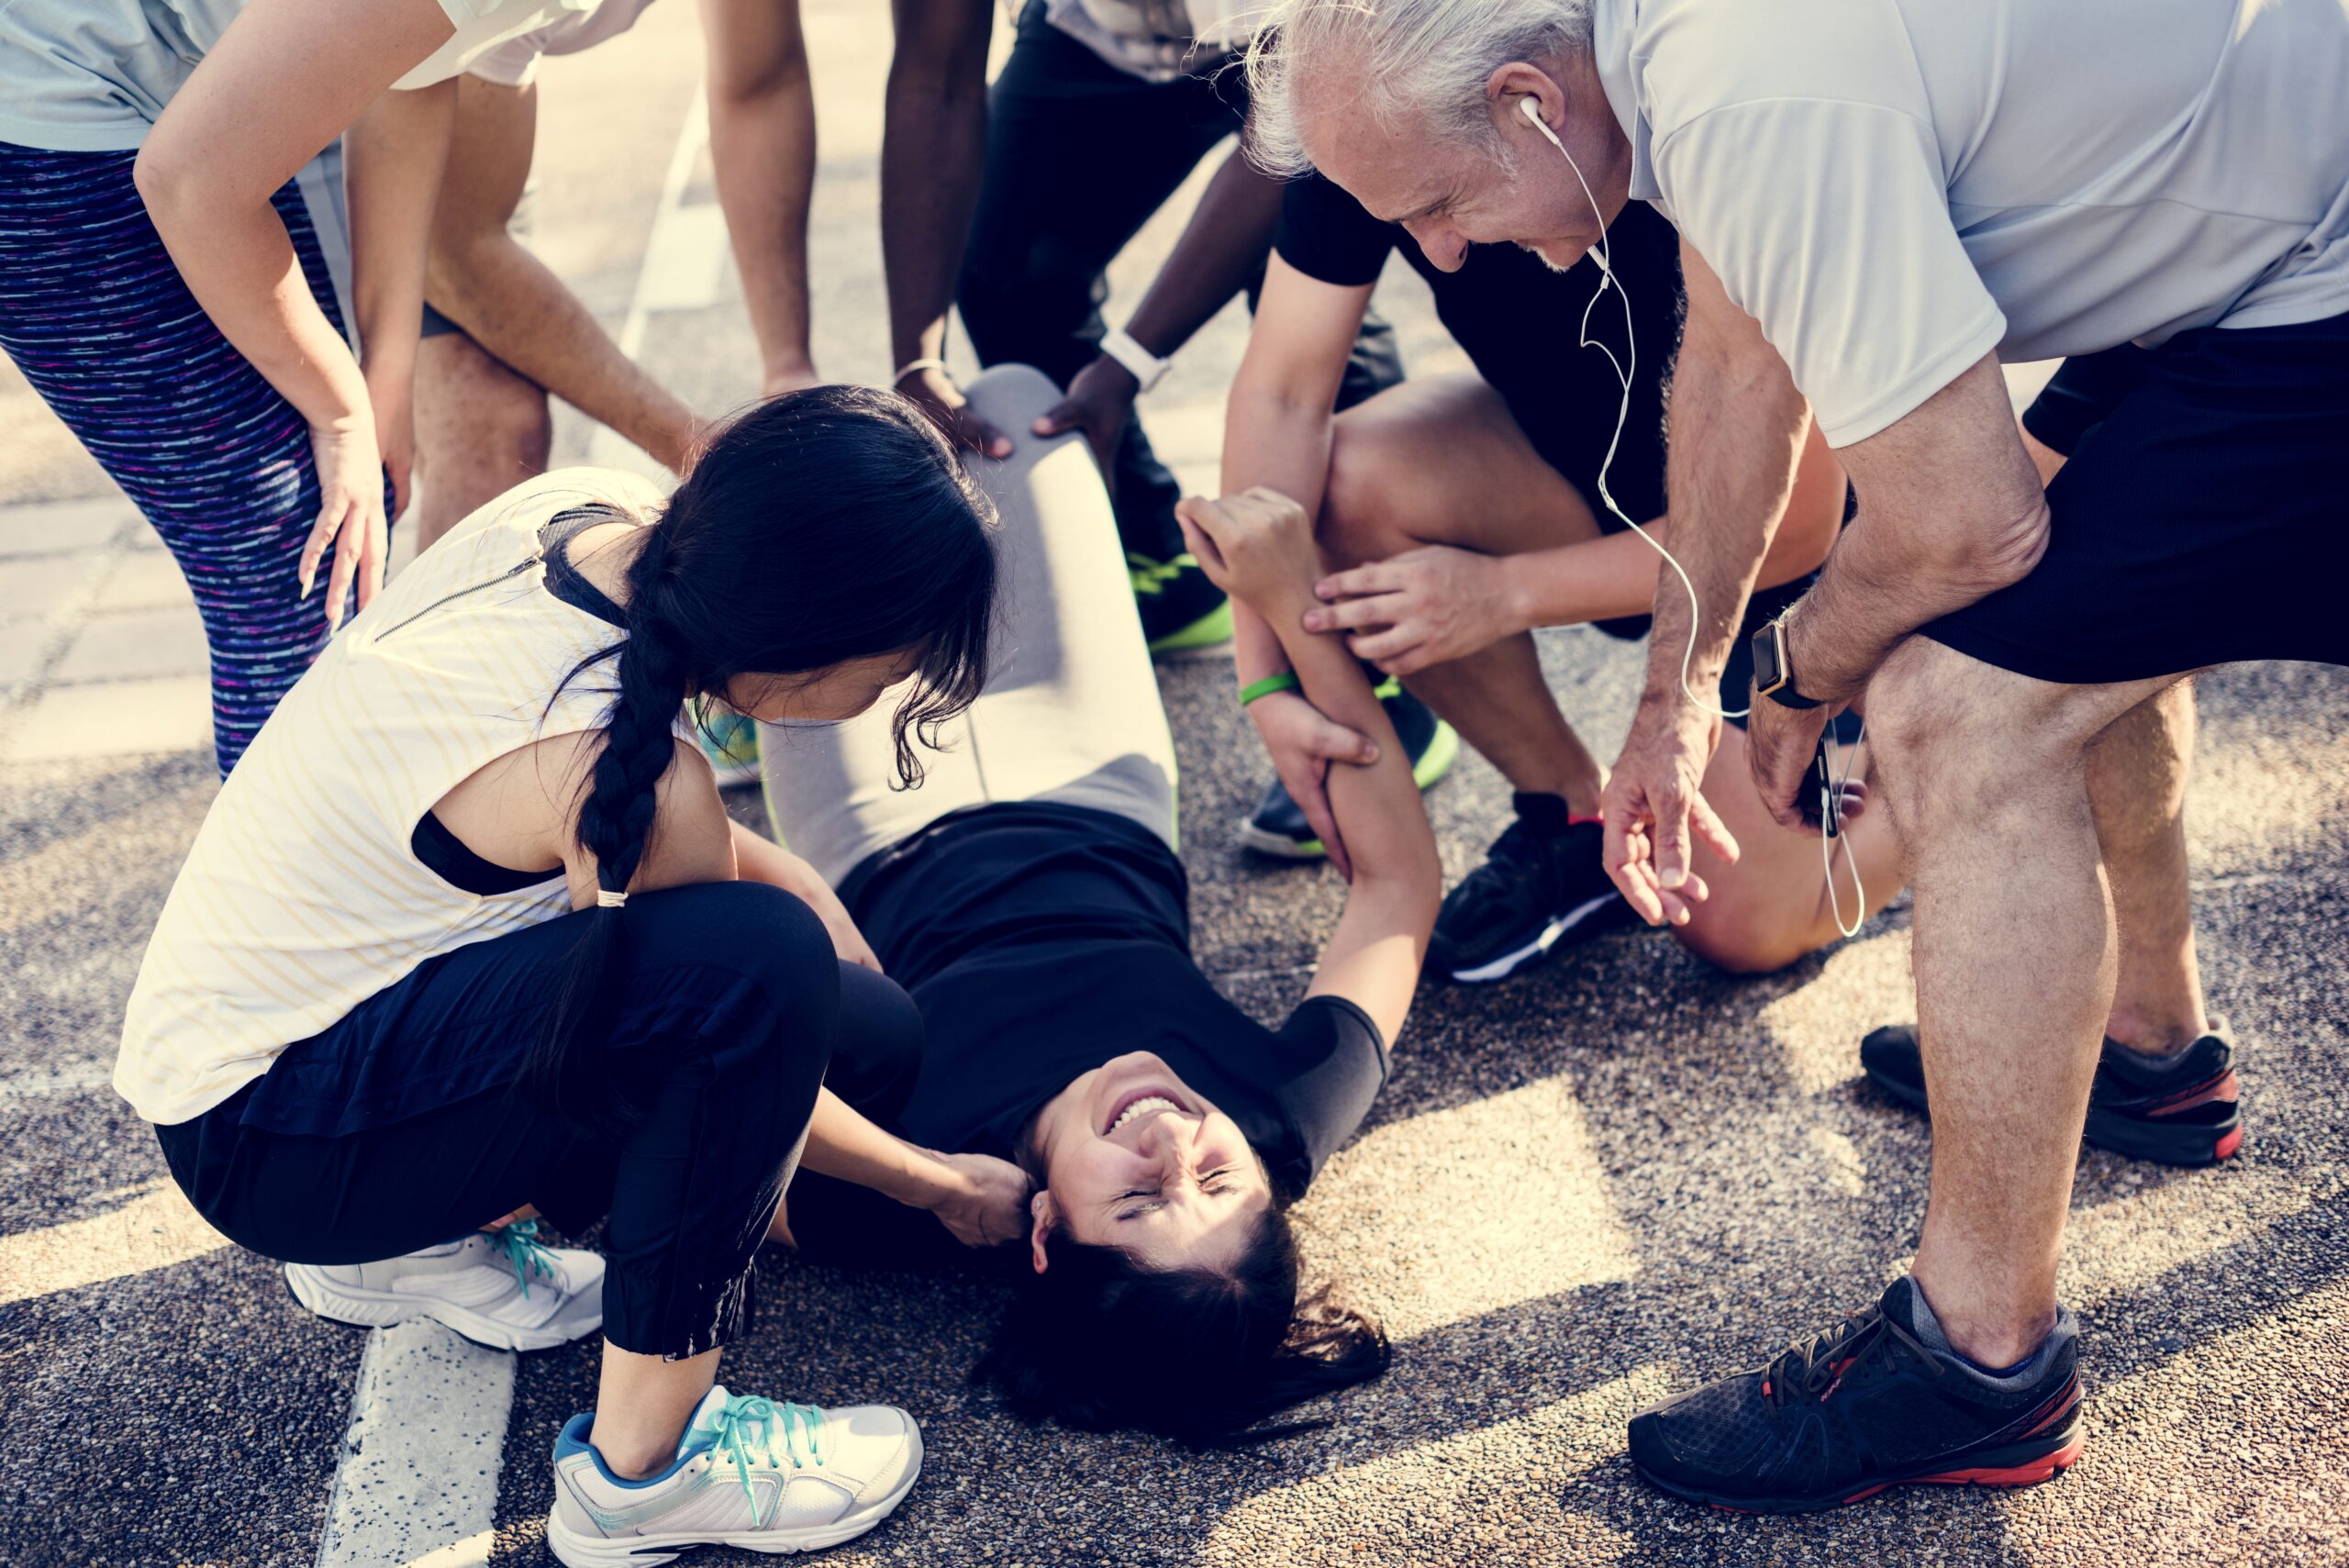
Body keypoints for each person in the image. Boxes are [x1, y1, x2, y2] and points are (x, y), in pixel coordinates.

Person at [1245, 0, 2346, 1514]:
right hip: (2247, 259)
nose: (1438, 255)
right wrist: (1673, 693)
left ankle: (1979, 1359)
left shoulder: (1740, 93)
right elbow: (1739, 364)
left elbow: (1964, 525)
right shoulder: (1665, 54)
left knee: (1958, 700)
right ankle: (2147, 1054)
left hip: (2310, 269)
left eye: (1440, 204)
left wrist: (1796, 674)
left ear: (1525, 103)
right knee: (2073, 623)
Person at [116, 386, 1006, 1563]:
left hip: (258, 1060)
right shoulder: (625, 773)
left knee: (864, 1024)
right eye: (889, 670)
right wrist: (934, 1184)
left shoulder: (584, 515)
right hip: (273, 1143)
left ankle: (403, 1246)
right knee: (765, 976)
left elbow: (685, 893)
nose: (888, 694)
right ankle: (650, 1469)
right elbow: (724, 1015)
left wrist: (810, 896)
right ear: (803, 637)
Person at [759, 364, 1442, 1440]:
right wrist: (1292, 607)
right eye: (1217, 1177)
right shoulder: (1279, 1111)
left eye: (1136, 1200)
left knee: (819, 462)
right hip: (1095, 768)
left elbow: (688, 1111)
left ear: (1042, 1233)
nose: (1173, 1146)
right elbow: (1399, 888)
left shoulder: (896, 1196)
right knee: (1008, 404)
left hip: (869, 819)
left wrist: (914, 1179)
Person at [1221, 166, 1882, 981]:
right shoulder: (1361, 116)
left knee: (1735, 919)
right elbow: (1282, 393)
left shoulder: (1676, 120)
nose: (1436, 251)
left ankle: (1950, 776)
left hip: (1803, 556)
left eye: (1438, 202)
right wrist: (1265, 674)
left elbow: (1797, 527)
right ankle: (1572, 808)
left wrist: (1504, 594)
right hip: (1594, 482)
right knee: (1346, 489)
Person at [0, 0, 582, 772]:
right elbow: (192, 184)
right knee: (295, 570)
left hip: (172, 102)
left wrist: (387, 376)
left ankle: (343, 873)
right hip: (50, 106)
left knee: (336, 530)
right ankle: (297, 889)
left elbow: (413, 72)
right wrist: (344, 415)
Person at [956, 0, 1408, 652]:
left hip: (1301, 30)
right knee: (1002, 266)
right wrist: (915, 361)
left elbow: (1288, 121)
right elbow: (931, 83)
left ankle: (1385, 622)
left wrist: (1125, 367)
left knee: (1311, 287)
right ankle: (1161, 564)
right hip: (1111, 30)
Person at [408, 0, 704, 553]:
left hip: (448, 84)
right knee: (487, 423)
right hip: (300, 95)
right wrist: (695, 442)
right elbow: (455, 258)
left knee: (485, 427)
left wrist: (789, 360)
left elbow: (762, 88)